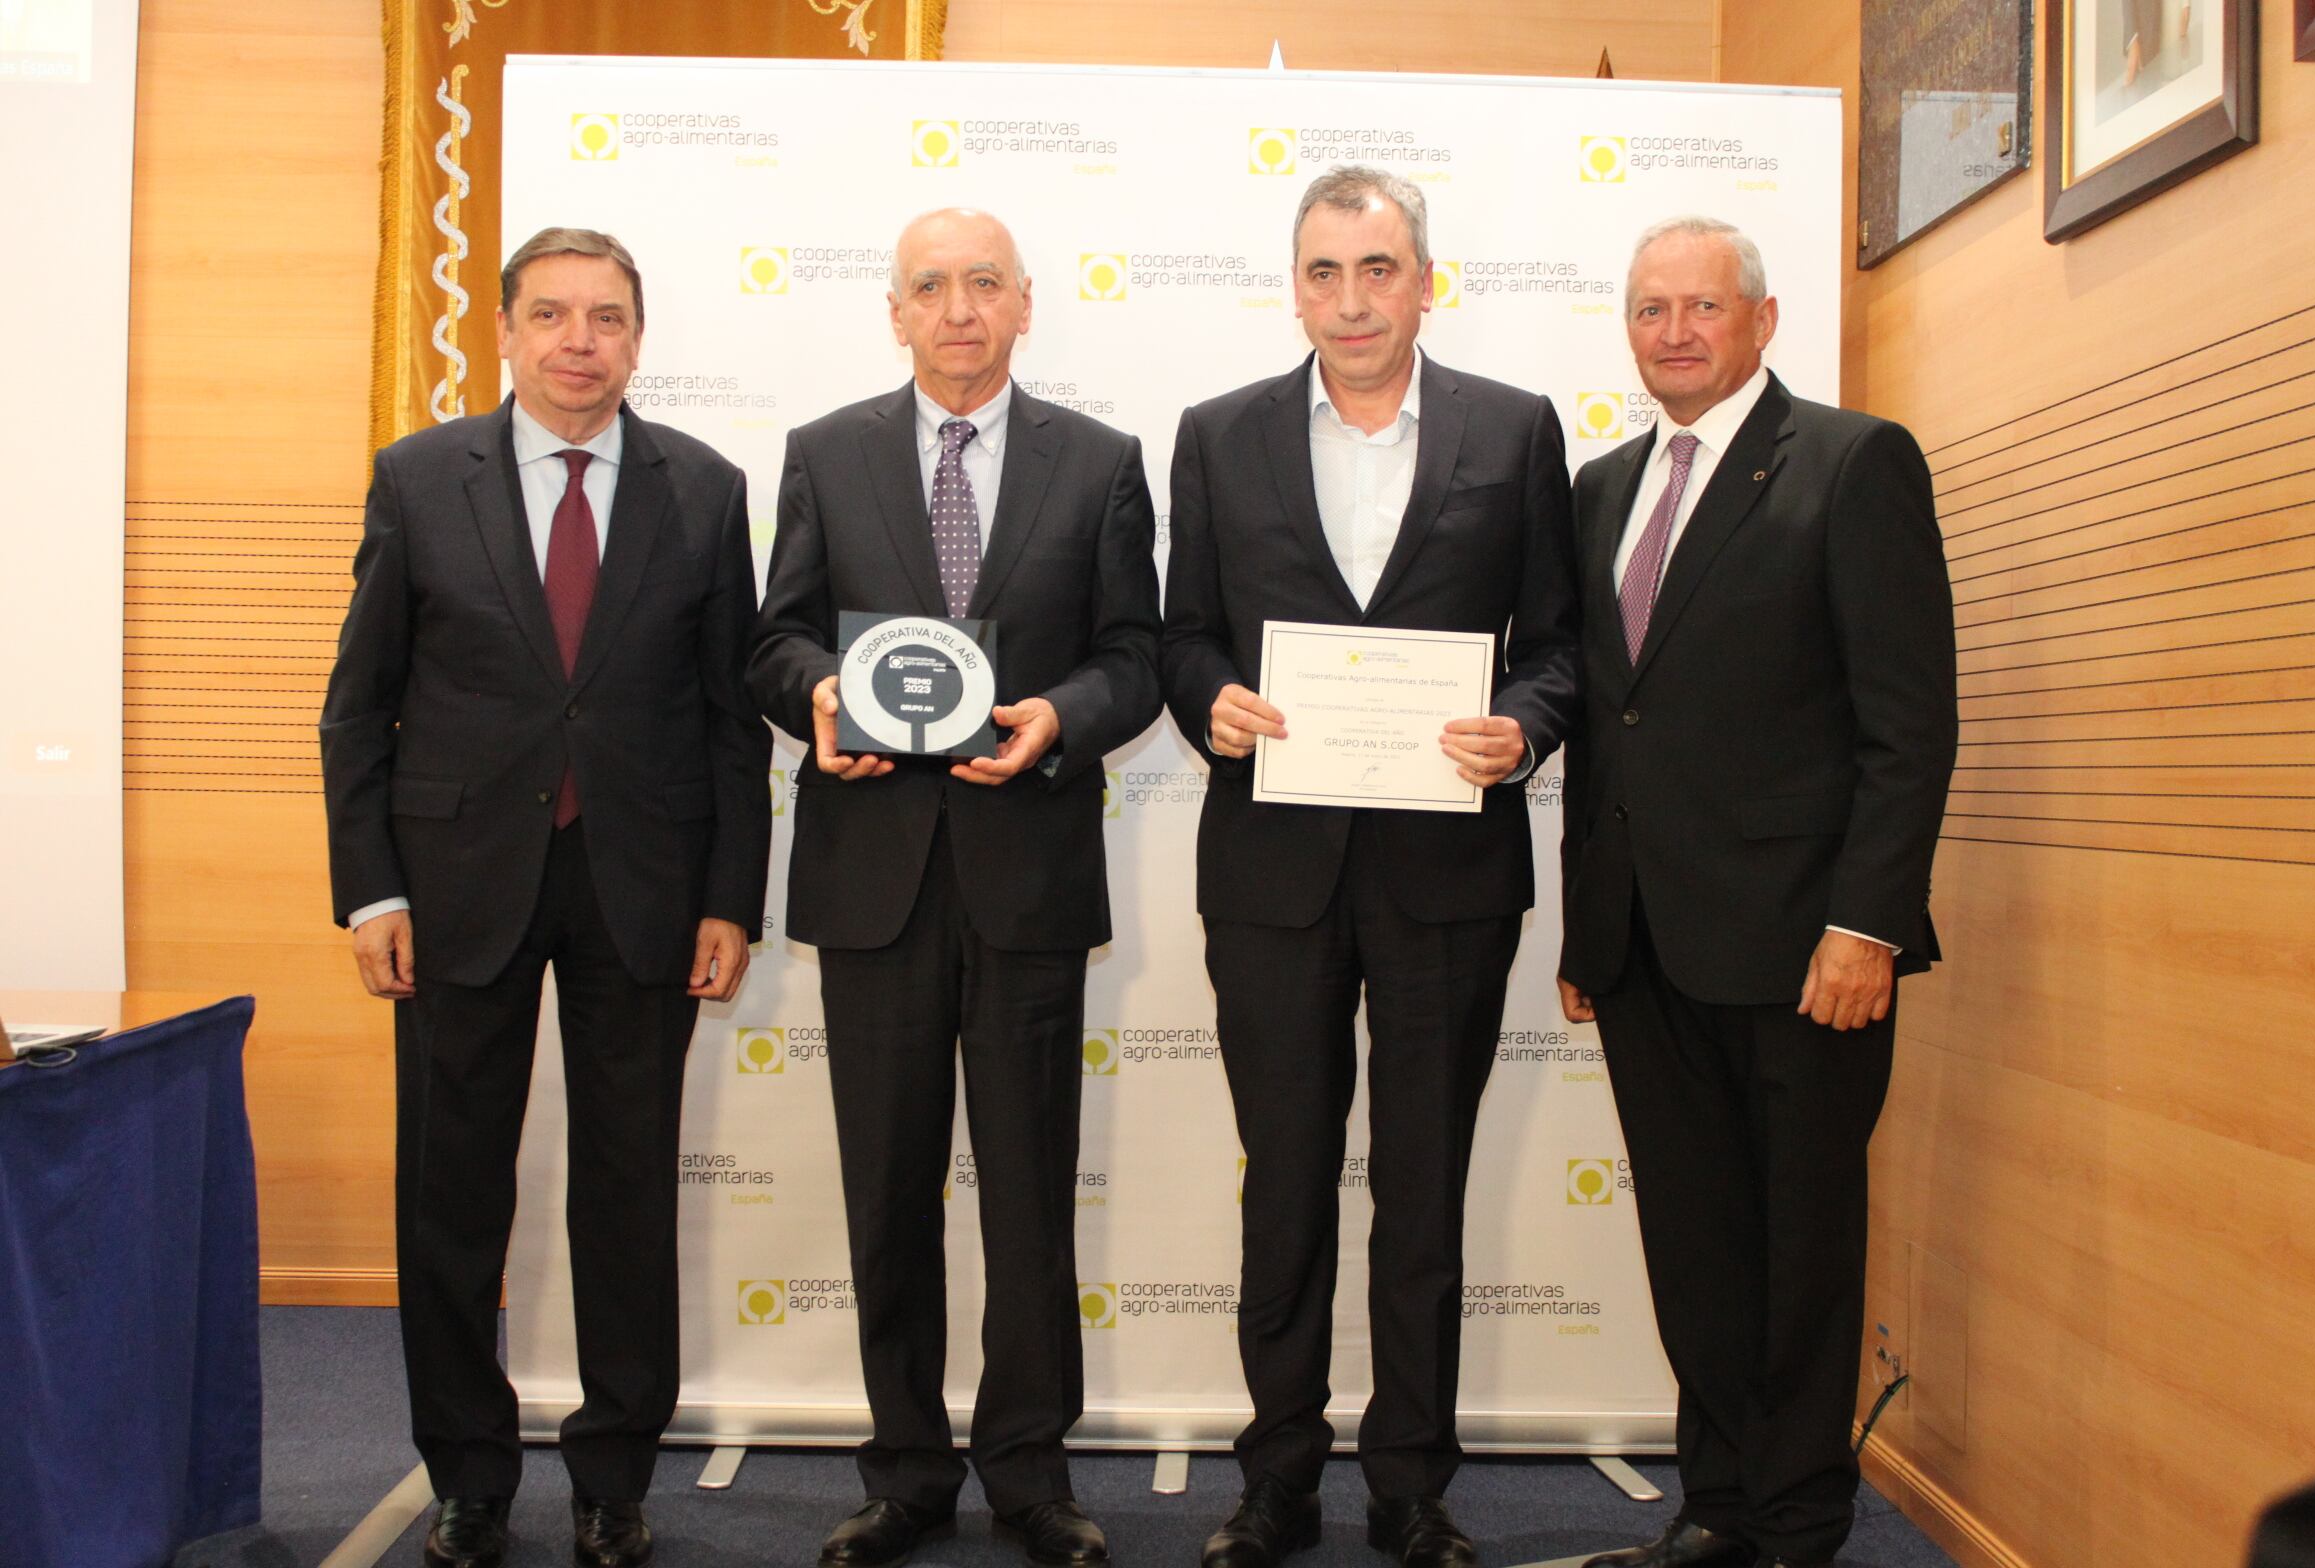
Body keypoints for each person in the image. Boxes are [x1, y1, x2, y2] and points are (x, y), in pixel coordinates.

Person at [319, 227, 772, 1568]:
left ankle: (614, 1476)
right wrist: (369, 894)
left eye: (609, 317)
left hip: (644, 885)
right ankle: (467, 1474)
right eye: (554, 315)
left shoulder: (705, 487)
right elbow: (361, 709)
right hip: (455, 888)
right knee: (453, 1193)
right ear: (505, 332)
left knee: (628, 1189)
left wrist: (730, 897)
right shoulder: (419, 477)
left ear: (640, 336)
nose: (582, 340)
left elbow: (728, 722)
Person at [1160, 165, 1576, 1568]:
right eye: (1325, 271)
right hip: (1271, 874)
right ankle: (1276, 1476)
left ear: (1423, 280)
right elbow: (1181, 635)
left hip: (1447, 880)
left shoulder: (1515, 433)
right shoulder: (1216, 437)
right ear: (1296, 287)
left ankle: (1410, 1483)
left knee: (1423, 1191)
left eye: (1378, 269)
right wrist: (1207, 700)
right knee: (1282, 1183)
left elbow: (1564, 648)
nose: (1351, 298)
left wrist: (1522, 727)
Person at [746, 207, 1161, 1568]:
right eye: (932, 286)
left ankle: (1030, 1474)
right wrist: (813, 692)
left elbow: (1134, 659)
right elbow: (777, 639)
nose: (959, 309)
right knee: (886, 1190)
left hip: (1028, 874)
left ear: (1027, 304)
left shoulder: (1099, 463)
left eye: (985, 284)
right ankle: (906, 1470)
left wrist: (1061, 716)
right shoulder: (828, 453)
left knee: (1032, 1194)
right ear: (896, 311)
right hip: (874, 880)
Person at [1559, 216, 1957, 1568]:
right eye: (1650, 308)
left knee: (1799, 1251)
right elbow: (1615, 717)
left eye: (1702, 307)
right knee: (1696, 1244)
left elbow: (1909, 725)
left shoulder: (1853, 464)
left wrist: (1870, 925)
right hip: (1641, 944)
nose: (1675, 331)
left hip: (1805, 949)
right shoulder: (1601, 489)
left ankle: (1795, 1522)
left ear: (1763, 321)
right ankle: (1718, 1506)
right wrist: (1585, 919)